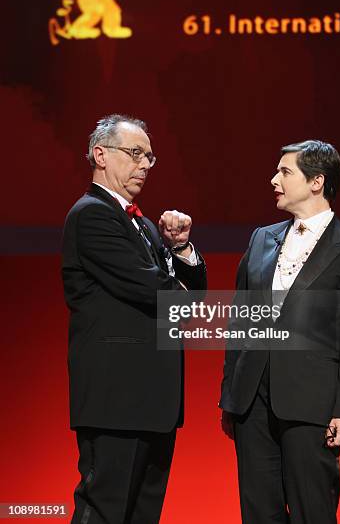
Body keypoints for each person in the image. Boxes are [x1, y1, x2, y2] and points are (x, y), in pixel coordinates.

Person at [220, 140, 340, 523]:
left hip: (313, 406)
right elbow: (240, 320)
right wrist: (231, 395)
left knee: (313, 512)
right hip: (252, 403)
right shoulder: (261, 238)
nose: (274, 179)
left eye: (284, 172)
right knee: (258, 512)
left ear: (316, 182)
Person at [62, 114, 206, 524]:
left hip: (153, 401)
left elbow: (187, 294)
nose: (144, 164)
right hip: (115, 399)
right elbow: (157, 293)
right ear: (100, 155)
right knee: (104, 511)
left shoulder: (144, 224)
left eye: (149, 156)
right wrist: (180, 296)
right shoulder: (91, 215)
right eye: (135, 153)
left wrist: (180, 249)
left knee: (143, 513)